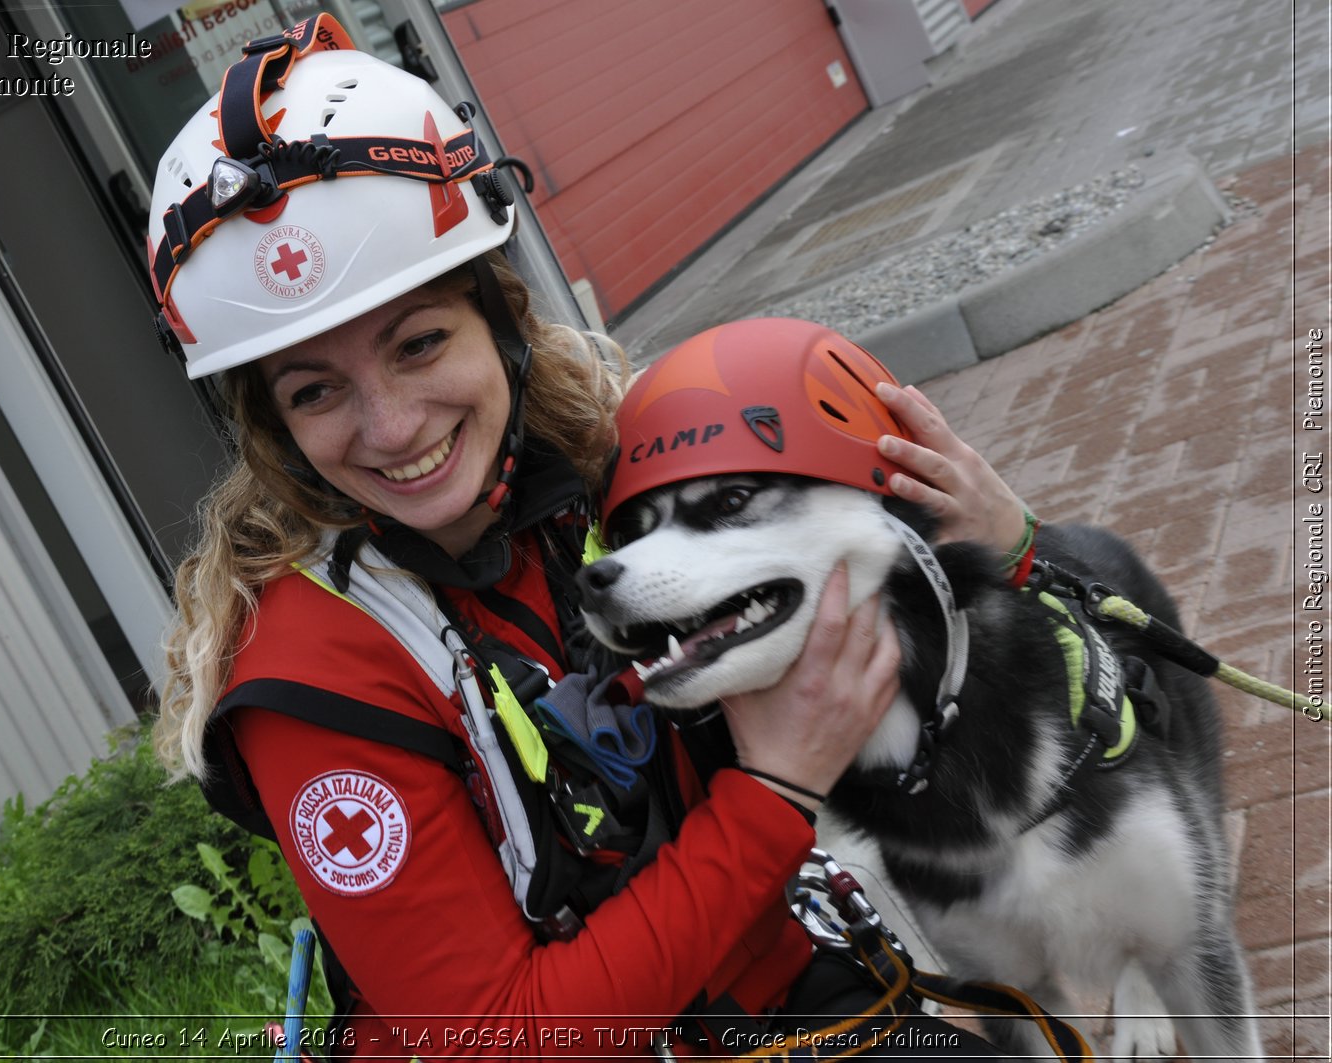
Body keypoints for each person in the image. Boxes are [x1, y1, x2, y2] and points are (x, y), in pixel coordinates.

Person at [151, 18, 1032, 1059]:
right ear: (277, 431)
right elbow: (496, 1040)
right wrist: (774, 792)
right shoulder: (314, 674)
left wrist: (993, 558)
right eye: (316, 391)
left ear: (501, 320)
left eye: (420, 341)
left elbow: (872, 665)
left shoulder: (602, 481)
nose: (391, 428)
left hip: (767, 994)